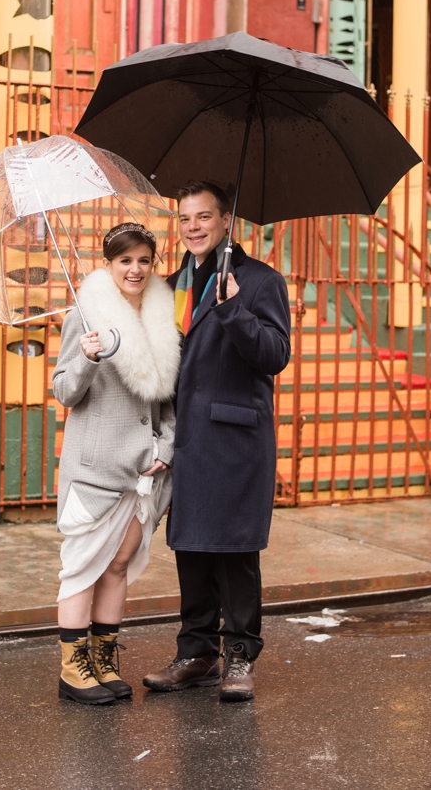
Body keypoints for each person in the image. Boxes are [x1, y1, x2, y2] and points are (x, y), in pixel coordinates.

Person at [143, 180, 290, 702]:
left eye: (204, 217)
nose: (193, 227)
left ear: (227, 220)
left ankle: (240, 654)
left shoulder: (259, 281)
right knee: (191, 547)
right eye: (185, 219)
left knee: (234, 550)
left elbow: (274, 353)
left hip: (234, 438)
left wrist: (233, 310)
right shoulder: (170, 284)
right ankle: (197, 651)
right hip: (186, 438)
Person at [51, 222, 181, 704]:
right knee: (83, 568)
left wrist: (166, 447)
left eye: (144, 260)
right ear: (109, 264)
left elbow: (168, 401)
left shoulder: (160, 315)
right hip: (98, 469)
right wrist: (84, 357)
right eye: (125, 260)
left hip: (145, 471)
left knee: (119, 566)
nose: (135, 269)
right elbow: (65, 390)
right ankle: (73, 667)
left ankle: (103, 658)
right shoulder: (84, 315)